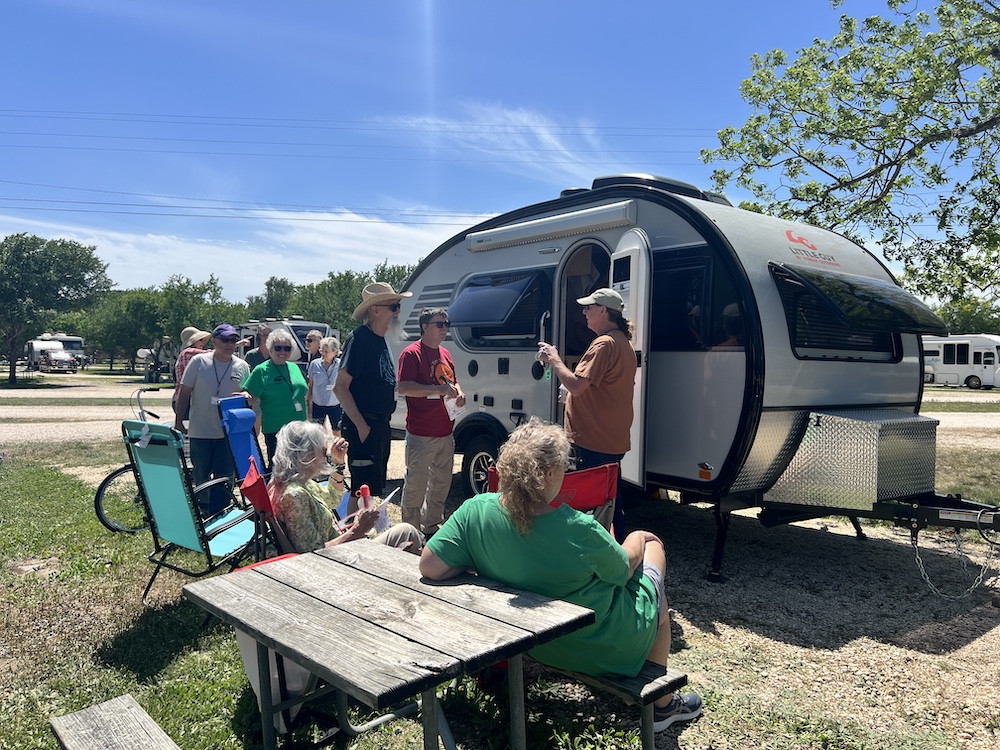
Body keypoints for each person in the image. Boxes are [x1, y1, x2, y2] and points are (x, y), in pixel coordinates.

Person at [420, 419, 701, 729]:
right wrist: (639, 538)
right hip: (602, 645)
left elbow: (429, 566)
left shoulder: (475, 512)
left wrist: (477, 559)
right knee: (654, 565)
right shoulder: (578, 528)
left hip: (537, 644)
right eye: (564, 468)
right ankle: (663, 706)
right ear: (550, 474)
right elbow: (623, 570)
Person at [537, 288, 637, 541]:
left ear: (603, 311)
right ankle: (619, 551)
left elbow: (577, 386)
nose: (584, 312)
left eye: (588, 308)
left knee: (591, 506)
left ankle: (594, 557)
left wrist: (554, 358)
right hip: (612, 439)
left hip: (593, 441)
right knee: (610, 502)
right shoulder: (623, 343)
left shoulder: (604, 343)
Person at [270, 421, 423, 554]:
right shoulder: (295, 496)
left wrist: (338, 463)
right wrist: (356, 531)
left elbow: (332, 500)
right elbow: (312, 553)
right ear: (308, 456)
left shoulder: (299, 484)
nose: (326, 457)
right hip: (336, 563)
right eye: (324, 452)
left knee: (406, 532)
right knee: (407, 533)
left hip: (340, 550)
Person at [334, 281, 411, 509]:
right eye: (394, 306)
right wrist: (362, 426)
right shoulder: (359, 340)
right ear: (375, 309)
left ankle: (363, 531)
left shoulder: (379, 340)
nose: (398, 311)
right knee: (361, 488)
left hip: (379, 425)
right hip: (365, 424)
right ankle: (353, 536)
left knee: (373, 487)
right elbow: (340, 387)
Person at [397, 308, 465, 537]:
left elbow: (453, 382)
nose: (445, 328)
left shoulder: (446, 354)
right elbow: (404, 387)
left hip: (445, 432)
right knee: (416, 486)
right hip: (421, 433)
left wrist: (460, 393)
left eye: (447, 324)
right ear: (425, 327)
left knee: (441, 484)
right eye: (440, 324)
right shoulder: (411, 354)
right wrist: (438, 389)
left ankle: (431, 528)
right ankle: (409, 533)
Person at [173, 324, 251, 517]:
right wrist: (179, 421)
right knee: (201, 474)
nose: (229, 344)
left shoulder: (242, 366)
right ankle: (204, 511)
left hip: (228, 433)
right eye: (225, 340)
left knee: (225, 476)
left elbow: (251, 395)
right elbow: (184, 393)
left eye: (233, 340)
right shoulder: (199, 362)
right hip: (200, 430)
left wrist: (247, 396)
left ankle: (220, 514)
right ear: (214, 341)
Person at [242, 328, 308, 467]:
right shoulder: (261, 370)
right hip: (276, 430)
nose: (282, 352)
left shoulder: (294, 367)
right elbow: (250, 396)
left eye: (287, 348)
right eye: (278, 348)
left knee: (301, 469)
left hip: (299, 429)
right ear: (270, 348)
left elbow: (304, 394)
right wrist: (244, 396)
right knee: (280, 470)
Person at [307, 336, 342, 435]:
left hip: (335, 403)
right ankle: (321, 450)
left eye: (326, 351)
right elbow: (311, 385)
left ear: (335, 352)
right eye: (322, 350)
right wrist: (308, 404)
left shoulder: (341, 365)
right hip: (318, 403)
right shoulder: (314, 364)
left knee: (337, 430)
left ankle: (337, 450)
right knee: (318, 431)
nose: (323, 354)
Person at [172, 327, 211, 415]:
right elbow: (213, 353)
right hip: (185, 400)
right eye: (200, 340)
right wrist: (234, 345)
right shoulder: (187, 353)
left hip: (188, 399)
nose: (203, 342)